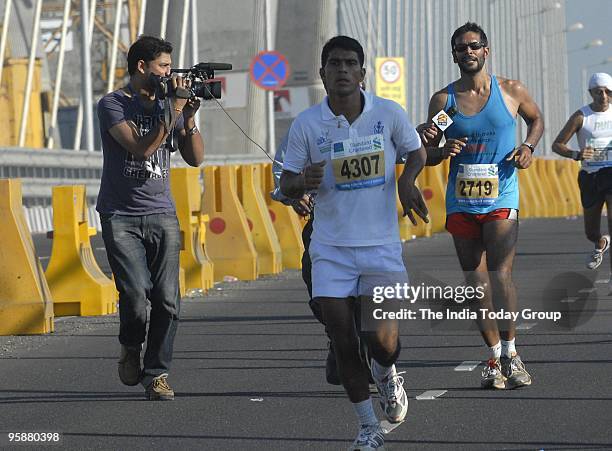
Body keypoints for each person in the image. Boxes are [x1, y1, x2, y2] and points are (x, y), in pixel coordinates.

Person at [280, 36, 428, 450]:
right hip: (331, 249)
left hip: (380, 247)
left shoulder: (389, 114)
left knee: (382, 340)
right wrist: (300, 182)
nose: (342, 70)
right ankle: (367, 427)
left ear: (362, 73)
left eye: (350, 63)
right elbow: (286, 181)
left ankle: (387, 373)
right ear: (323, 73)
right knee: (343, 337)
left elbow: (415, 152)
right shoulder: (307, 125)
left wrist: (406, 179)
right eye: (334, 64)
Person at [420, 22, 544, 390]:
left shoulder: (510, 91)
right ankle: (492, 357)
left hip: (502, 195)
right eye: (460, 48)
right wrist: (437, 149)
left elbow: (535, 120)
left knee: (500, 276)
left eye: (473, 46)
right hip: (461, 201)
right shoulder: (445, 102)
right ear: (454, 55)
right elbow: (426, 153)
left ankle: (512, 351)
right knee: (476, 281)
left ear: (486, 50)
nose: (468, 52)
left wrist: (528, 147)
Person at [96, 35, 204, 401]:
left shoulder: (170, 106)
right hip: (120, 216)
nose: (170, 75)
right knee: (135, 295)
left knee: (169, 299)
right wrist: (172, 107)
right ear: (142, 67)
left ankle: (157, 373)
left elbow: (196, 158)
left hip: (162, 214)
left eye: (172, 68)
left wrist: (188, 118)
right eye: (164, 67)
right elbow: (142, 150)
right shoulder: (113, 104)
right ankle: (130, 344)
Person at [552, 72, 612, 283]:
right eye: (598, 92)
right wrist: (576, 154)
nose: (603, 96)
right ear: (591, 93)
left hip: (611, 173)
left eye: (607, 92)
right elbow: (557, 144)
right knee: (590, 231)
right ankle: (600, 241)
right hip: (590, 176)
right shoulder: (582, 116)